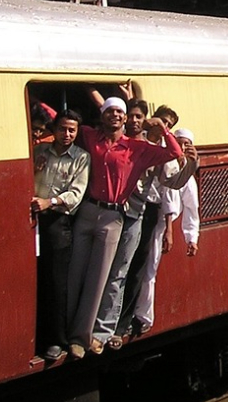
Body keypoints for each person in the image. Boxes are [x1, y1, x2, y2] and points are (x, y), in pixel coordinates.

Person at [65, 97, 182, 359]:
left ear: (126, 117)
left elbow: (175, 154)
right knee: (75, 273)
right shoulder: (89, 136)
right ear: (103, 115)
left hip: (114, 216)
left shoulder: (137, 148)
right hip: (86, 211)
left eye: (120, 112)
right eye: (111, 111)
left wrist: (163, 129)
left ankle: (83, 338)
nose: (116, 116)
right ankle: (70, 330)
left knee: (99, 278)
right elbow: (63, 124)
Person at [129, 128, 201, 336]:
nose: (183, 147)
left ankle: (143, 316)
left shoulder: (187, 176)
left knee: (149, 268)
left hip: (158, 222)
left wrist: (191, 237)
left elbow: (191, 207)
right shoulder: (161, 162)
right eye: (180, 142)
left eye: (187, 143)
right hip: (143, 214)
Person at [32, 109, 90, 361]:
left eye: (72, 130)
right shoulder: (38, 152)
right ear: (53, 129)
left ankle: (57, 340)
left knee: (58, 282)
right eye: (62, 129)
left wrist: (50, 202)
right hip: (34, 219)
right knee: (37, 277)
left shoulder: (81, 158)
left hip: (58, 220)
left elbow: (75, 195)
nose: (66, 134)